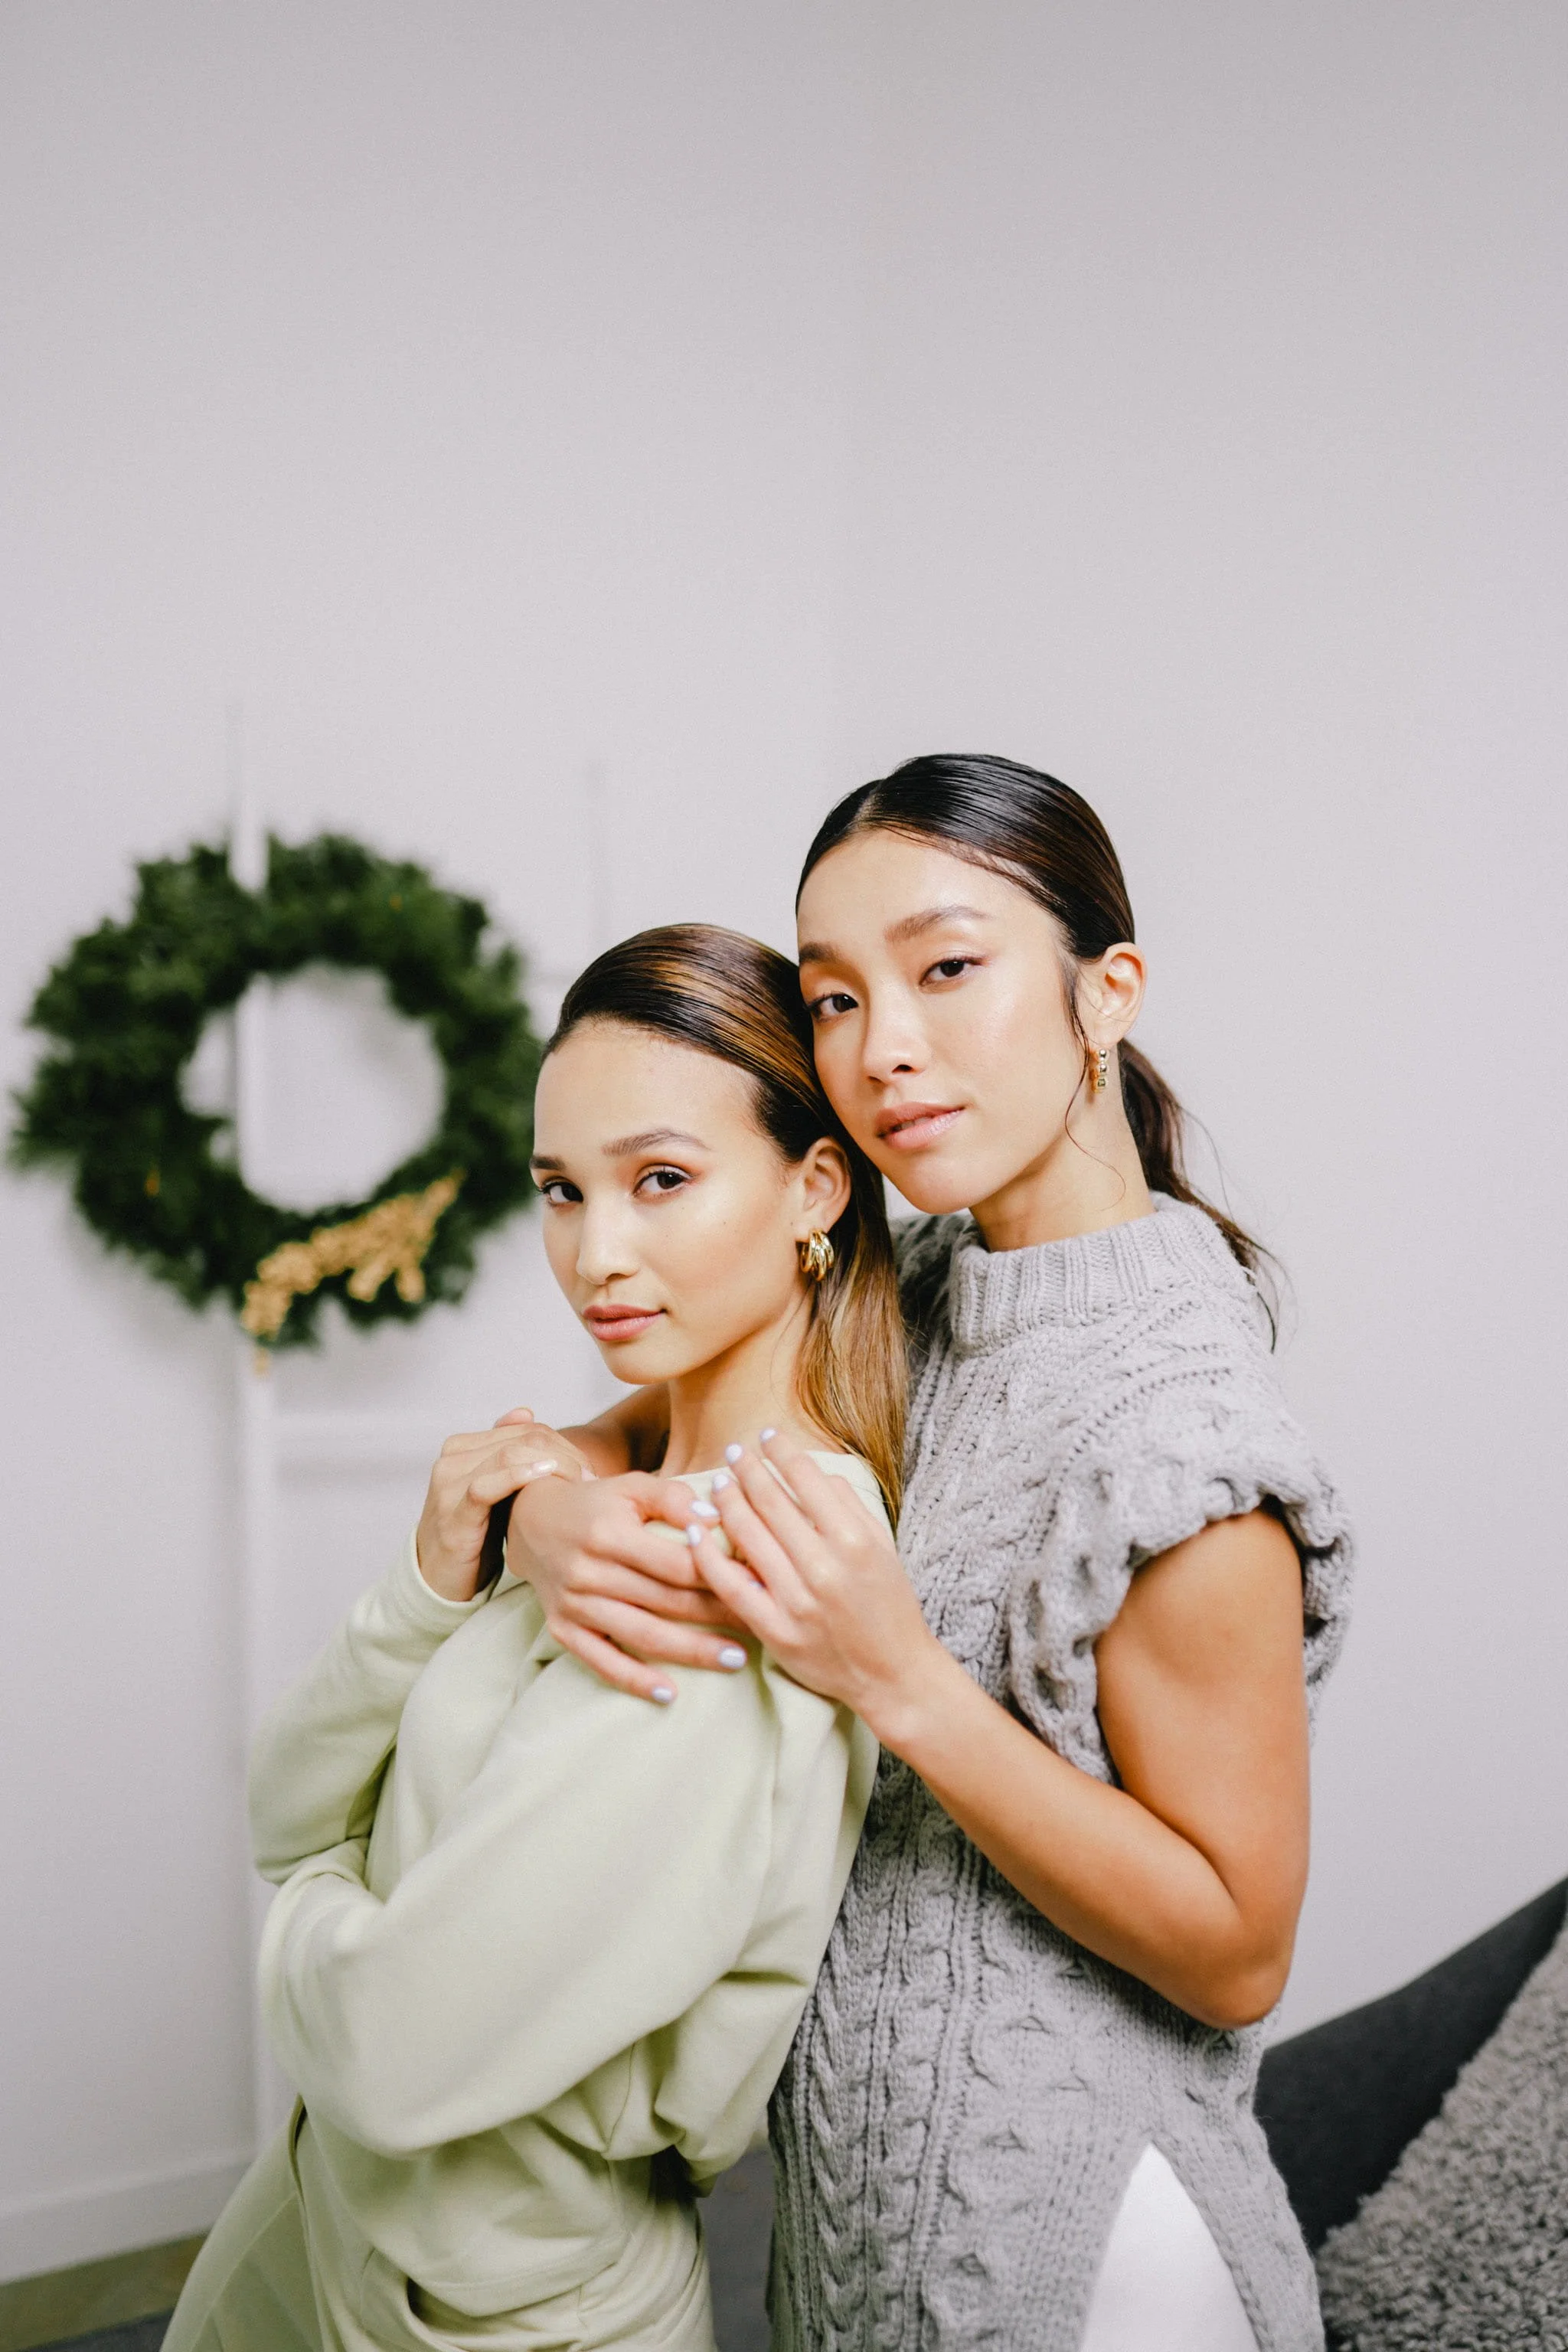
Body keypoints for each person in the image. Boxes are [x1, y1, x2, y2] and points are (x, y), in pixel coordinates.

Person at [495, 757, 1356, 2352]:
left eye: (946, 968)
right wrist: (542, 1516)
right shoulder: (922, 1284)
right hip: (858, 2229)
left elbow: (1237, 1948)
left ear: (1106, 996)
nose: (879, 1049)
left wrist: (895, 1678)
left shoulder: (1186, 1439)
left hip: (1086, 2257)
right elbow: (640, 1431)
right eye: (830, 998)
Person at [165, 924, 904, 2352]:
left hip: (499, 2312)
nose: (593, 1253)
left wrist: (319, 1892)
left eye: (662, 1181)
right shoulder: (594, 1506)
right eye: (561, 1190)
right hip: (332, 2225)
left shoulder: (737, 1571)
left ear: (816, 1186)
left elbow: (382, 2040)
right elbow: (281, 1801)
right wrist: (435, 1585)